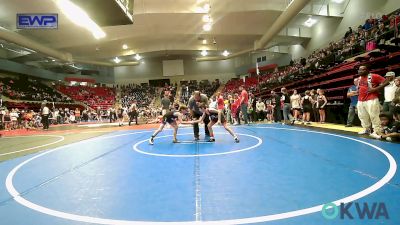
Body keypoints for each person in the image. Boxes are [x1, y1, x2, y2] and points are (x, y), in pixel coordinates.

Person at [357, 65, 390, 138]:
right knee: (362, 116)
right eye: (359, 70)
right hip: (361, 100)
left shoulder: (374, 76)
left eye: (362, 70)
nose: (360, 71)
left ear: (367, 70)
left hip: (371, 99)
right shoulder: (359, 78)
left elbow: (387, 82)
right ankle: (367, 129)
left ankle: (377, 131)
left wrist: (375, 89)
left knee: (374, 116)